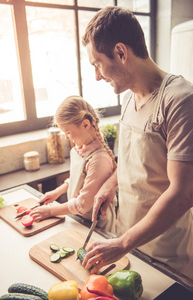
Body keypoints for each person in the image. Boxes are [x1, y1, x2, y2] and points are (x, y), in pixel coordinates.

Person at [81, 6, 193, 279]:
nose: (97, 75)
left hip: (164, 251)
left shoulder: (180, 100)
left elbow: (183, 193)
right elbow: (135, 161)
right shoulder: (129, 96)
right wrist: (110, 184)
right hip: (125, 238)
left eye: (97, 63)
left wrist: (122, 243)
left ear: (121, 53)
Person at [30, 95, 117, 233]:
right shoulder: (77, 150)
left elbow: (83, 204)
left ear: (86, 124)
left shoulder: (99, 160)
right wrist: (57, 192)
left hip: (97, 226)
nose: (66, 137)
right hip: (79, 219)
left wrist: (51, 211)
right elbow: (77, 179)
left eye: (68, 132)